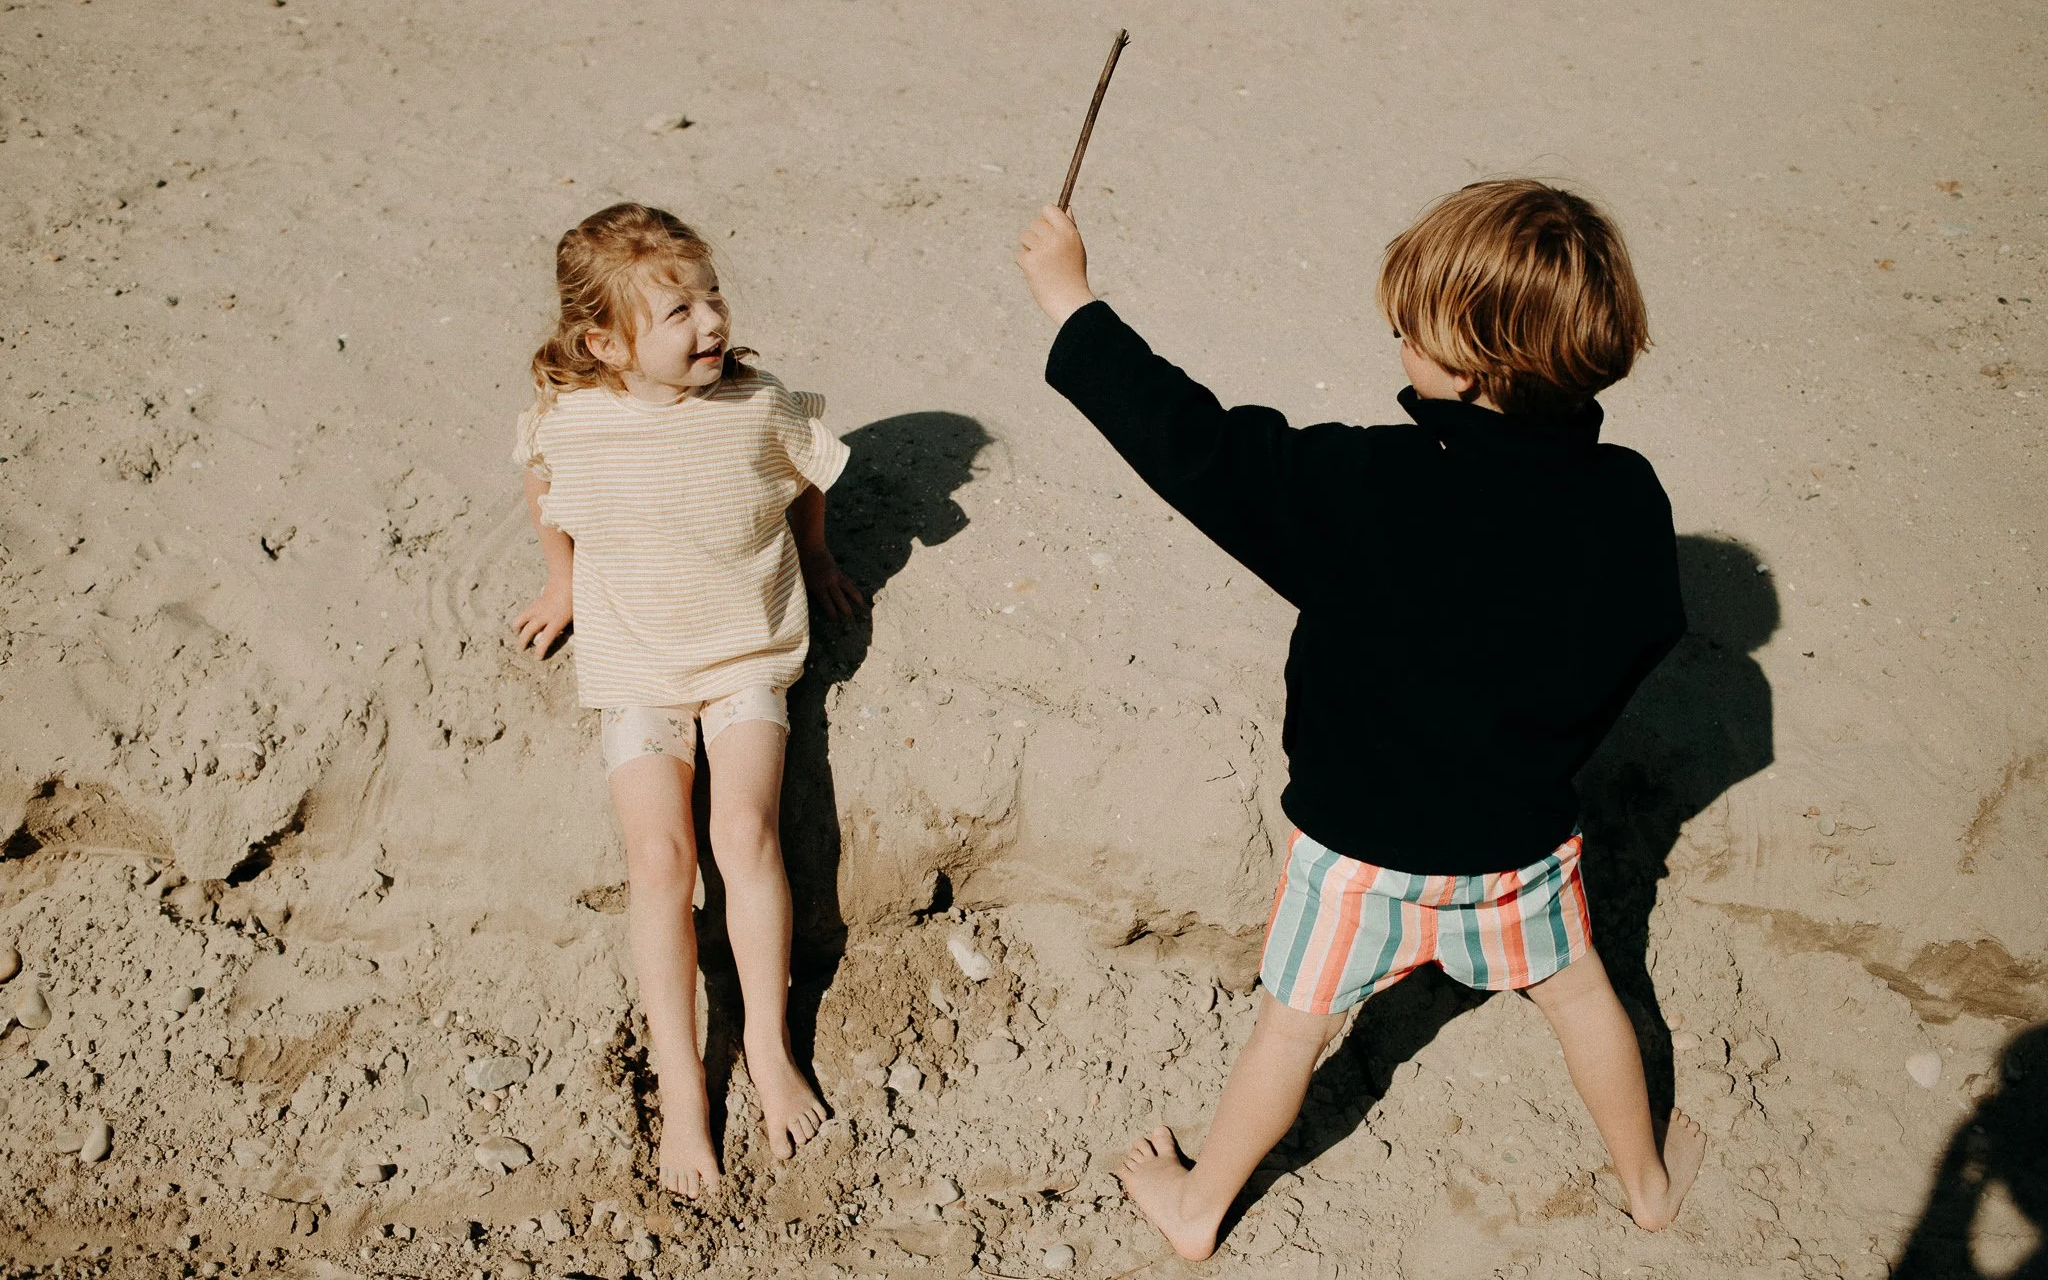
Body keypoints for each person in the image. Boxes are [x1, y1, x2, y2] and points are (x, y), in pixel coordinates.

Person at [1013, 180, 1706, 1259]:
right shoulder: (1626, 496)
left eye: (1406, 327)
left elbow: (1195, 447)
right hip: (1515, 846)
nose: (1392, 338)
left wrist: (1073, 303)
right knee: (1578, 997)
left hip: (1355, 855)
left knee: (1291, 1026)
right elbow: (1648, 628)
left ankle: (1197, 1209)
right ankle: (1649, 1184)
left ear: (1470, 362)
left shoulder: (1359, 483)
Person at [511, 202, 864, 1198]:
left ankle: (765, 1045)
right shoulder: (570, 422)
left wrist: (822, 558)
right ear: (606, 342)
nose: (708, 323)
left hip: (744, 654)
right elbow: (544, 486)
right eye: (676, 313)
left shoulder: (759, 406)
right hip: (631, 664)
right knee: (658, 860)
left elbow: (806, 483)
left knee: (745, 838)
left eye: (710, 298)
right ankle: (679, 1084)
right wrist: (561, 583)